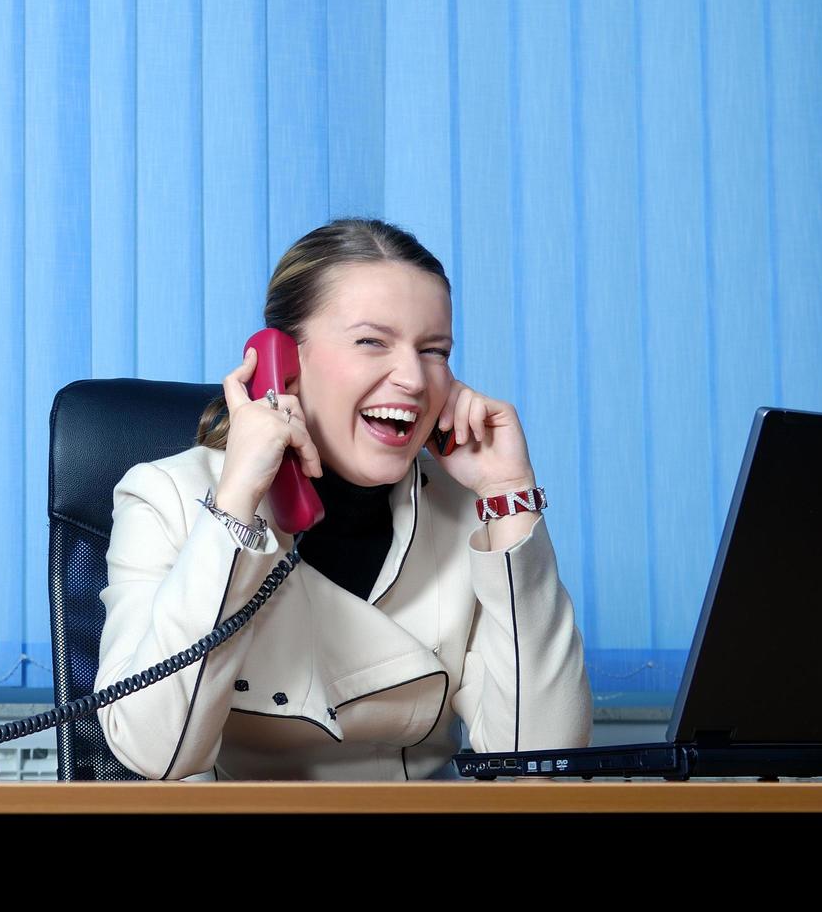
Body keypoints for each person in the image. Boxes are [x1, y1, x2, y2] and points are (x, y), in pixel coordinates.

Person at [94, 218, 592, 780]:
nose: (413, 378)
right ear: (280, 361)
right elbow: (157, 754)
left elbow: (547, 762)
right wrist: (237, 508)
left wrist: (508, 497)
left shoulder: (464, 514)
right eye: (372, 342)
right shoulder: (172, 498)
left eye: (434, 350)